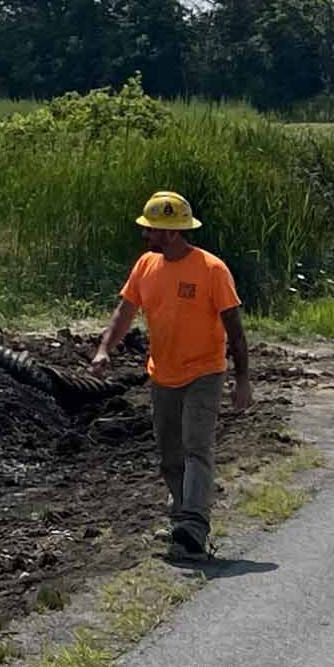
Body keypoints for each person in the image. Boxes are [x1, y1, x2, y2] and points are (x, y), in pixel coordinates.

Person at [102, 189, 251, 558]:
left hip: (204, 372)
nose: (145, 235)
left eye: (151, 230)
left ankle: (194, 526)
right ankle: (182, 517)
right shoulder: (145, 266)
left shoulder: (212, 270)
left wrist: (242, 379)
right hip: (162, 375)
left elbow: (235, 328)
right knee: (169, 454)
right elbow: (124, 312)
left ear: (171, 232)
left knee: (196, 447)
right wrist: (104, 349)